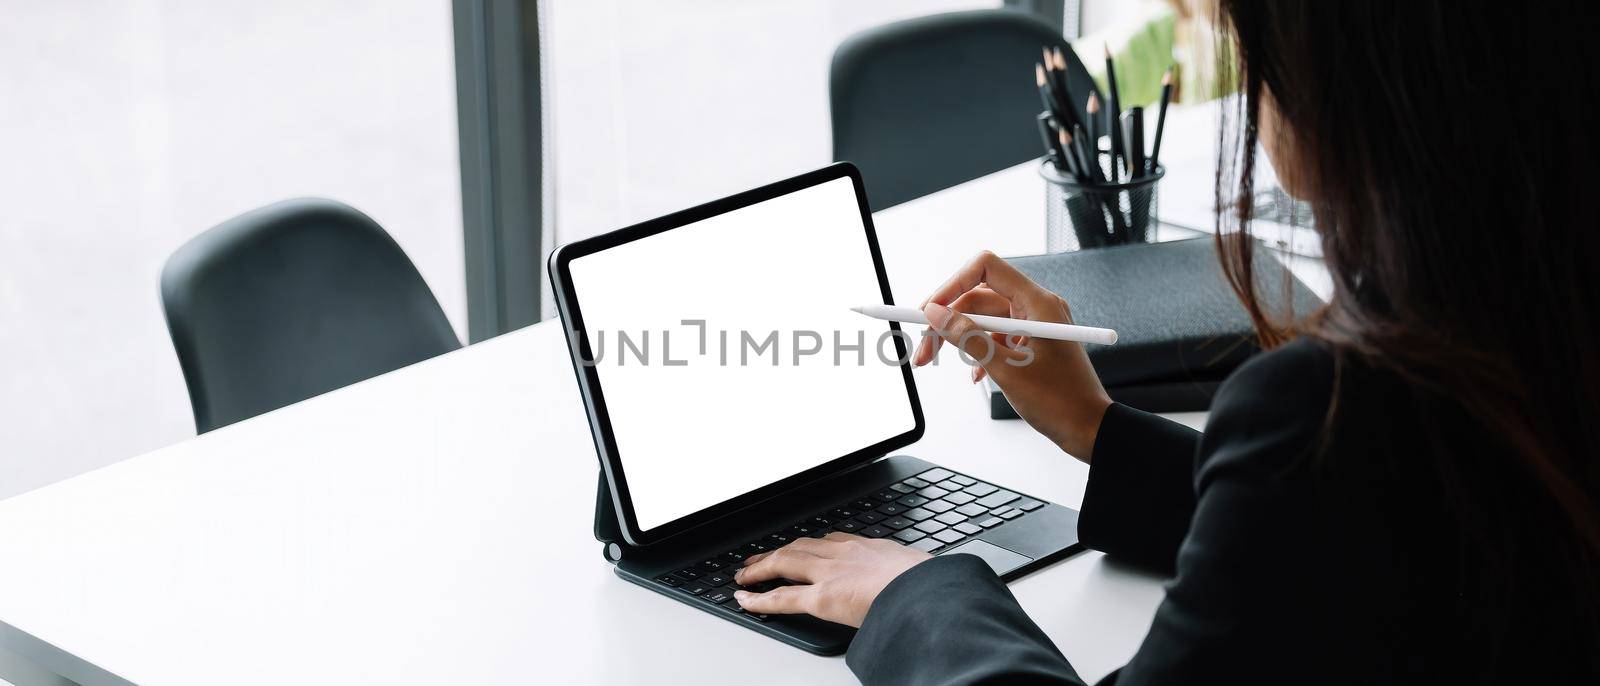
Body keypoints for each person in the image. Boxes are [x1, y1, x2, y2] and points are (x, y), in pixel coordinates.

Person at [732, 1, 1600, 683]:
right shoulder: (1530, 345)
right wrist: (1097, 428)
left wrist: (912, 594)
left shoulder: (1336, 409)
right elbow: (1363, 529)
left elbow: (1337, 496)